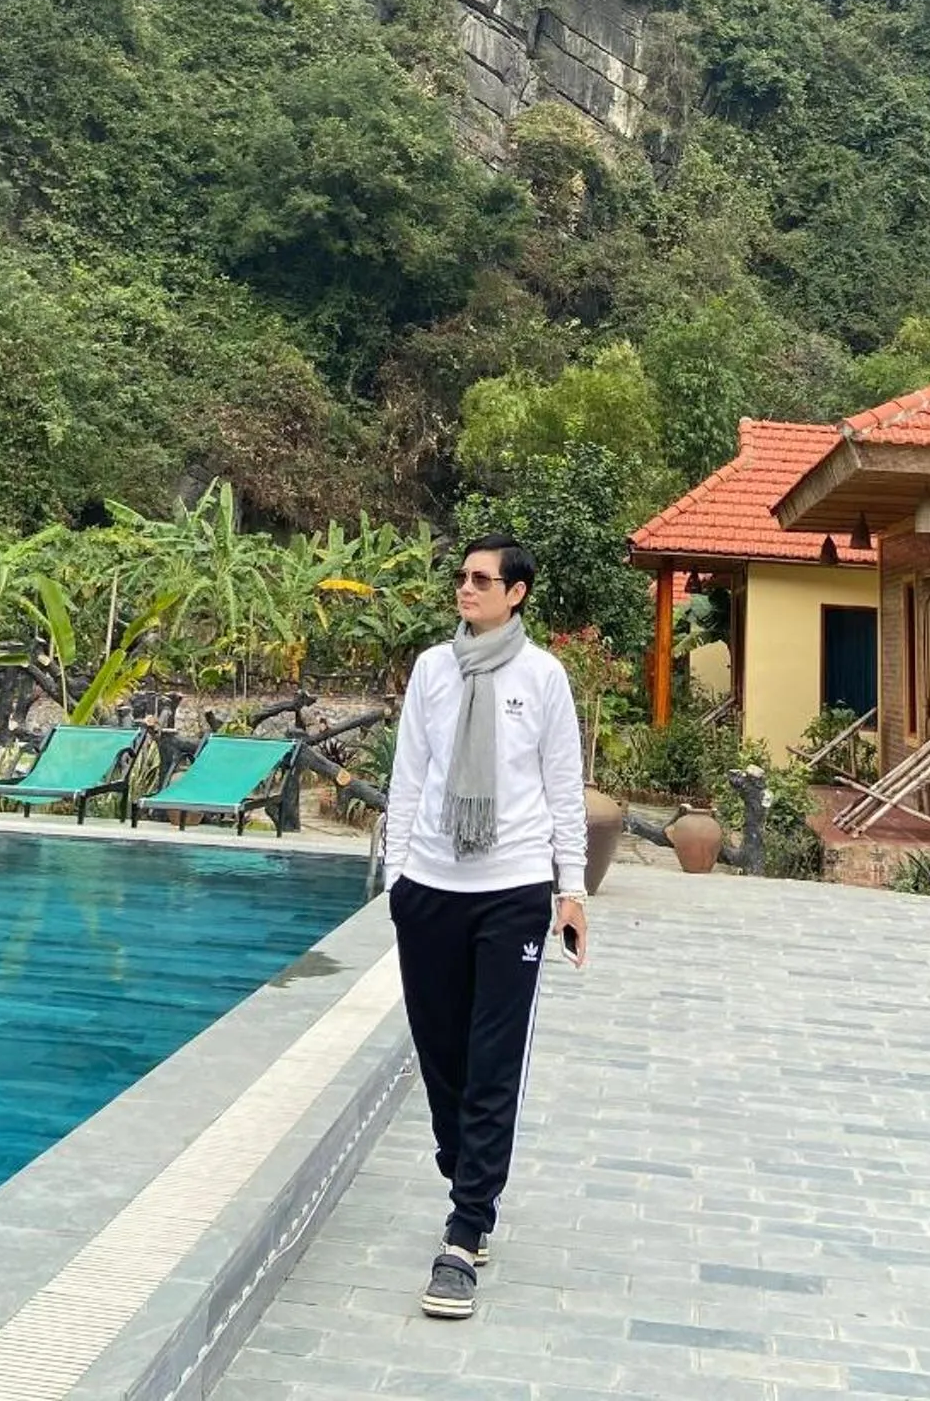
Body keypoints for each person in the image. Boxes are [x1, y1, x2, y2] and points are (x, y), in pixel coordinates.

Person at [383, 531, 588, 1321]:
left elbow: (563, 787)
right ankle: (463, 1166)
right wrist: (397, 879)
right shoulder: (433, 670)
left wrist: (572, 889)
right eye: (462, 578)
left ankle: (465, 1232)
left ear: (516, 593)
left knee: (493, 1059)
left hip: (512, 891)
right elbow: (409, 775)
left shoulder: (543, 677)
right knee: (441, 1056)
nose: (465, 589)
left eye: (481, 579)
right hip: (430, 886)